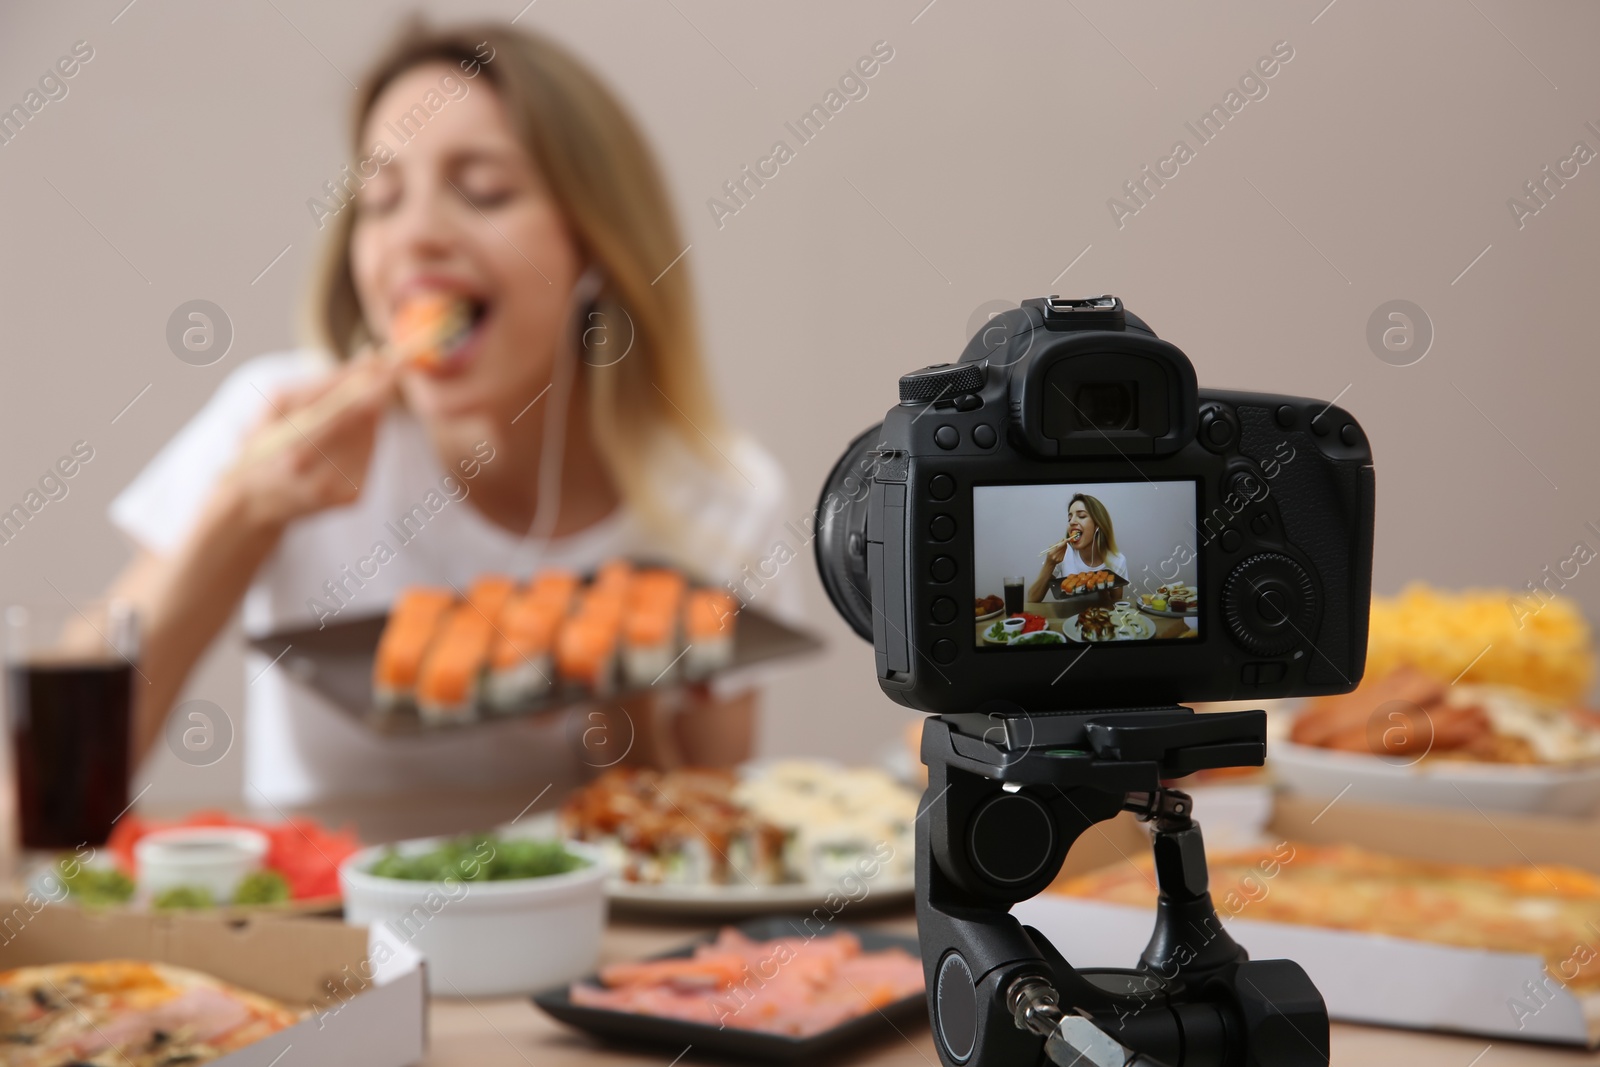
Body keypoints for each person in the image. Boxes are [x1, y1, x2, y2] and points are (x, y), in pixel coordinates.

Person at [100, 21, 793, 807]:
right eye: (381, 199)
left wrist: (617, 682)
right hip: (325, 925)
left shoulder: (721, 500)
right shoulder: (275, 424)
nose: (418, 235)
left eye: (484, 191)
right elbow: (50, 781)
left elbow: (705, 860)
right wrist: (243, 509)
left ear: (595, 247)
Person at [1027, 493, 1129, 602]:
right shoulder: (1063, 554)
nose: (1072, 522)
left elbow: (1117, 606)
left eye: (1081, 516)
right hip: (1065, 618)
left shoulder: (1117, 560)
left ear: (1098, 525)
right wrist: (1049, 563)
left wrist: (1101, 588)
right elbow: (1033, 600)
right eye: (1069, 518)